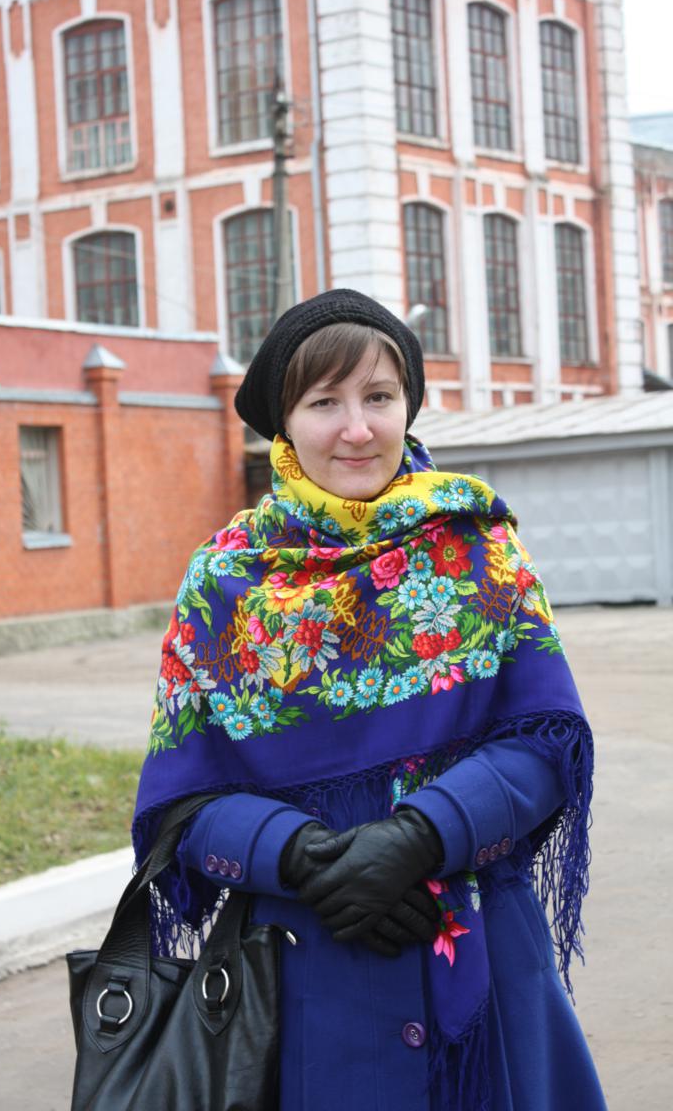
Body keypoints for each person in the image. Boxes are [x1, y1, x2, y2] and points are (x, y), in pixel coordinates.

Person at [132, 289, 607, 1111]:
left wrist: (421, 836)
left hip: (483, 969)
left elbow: (547, 744)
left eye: (379, 397)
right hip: (297, 974)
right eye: (325, 403)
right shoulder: (223, 582)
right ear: (284, 425)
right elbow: (181, 804)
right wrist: (301, 856)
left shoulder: (480, 548)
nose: (357, 429)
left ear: (407, 406)